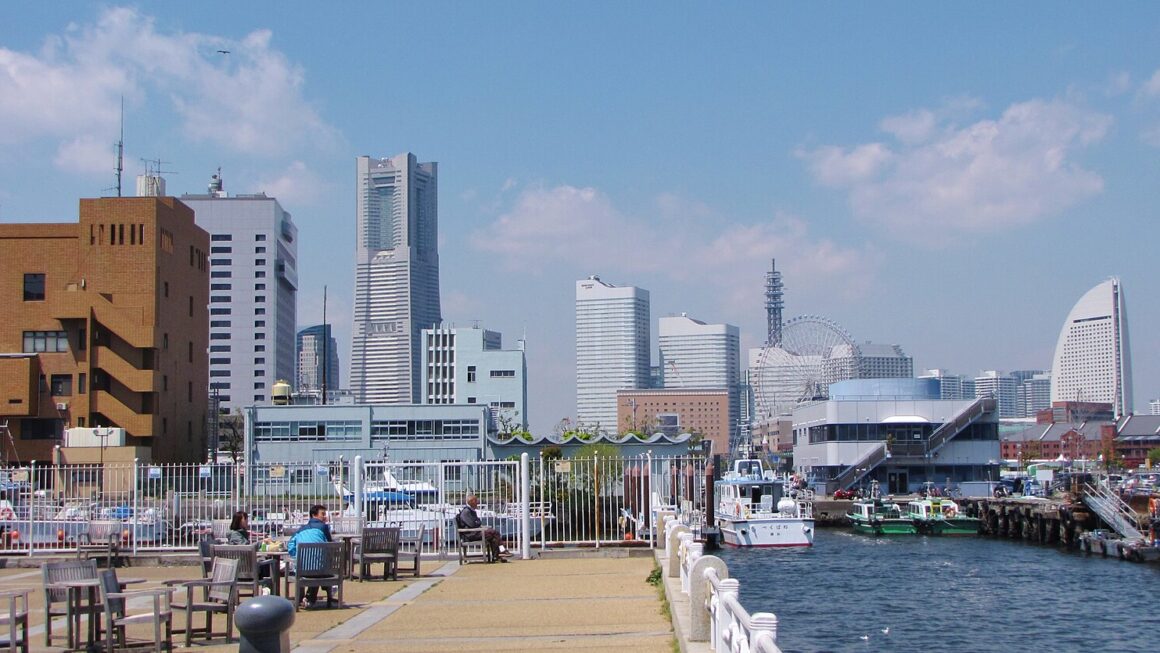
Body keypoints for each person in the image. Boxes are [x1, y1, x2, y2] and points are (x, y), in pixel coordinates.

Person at [288, 505, 333, 608]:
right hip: (320, 570)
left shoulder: (301, 530)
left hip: (302, 569)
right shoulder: (323, 527)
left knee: (312, 564)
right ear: (314, 515)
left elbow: (290, 545)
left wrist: (297, 556)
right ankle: (310, 599)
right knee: (317, 564)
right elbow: (330, 546)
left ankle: (305, 599)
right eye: (323, 514)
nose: (325, 517)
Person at [227, 511, 275, 590]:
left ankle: (268, 591)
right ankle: (268, 592)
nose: (247, 521)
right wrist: (261, 542)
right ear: (239, 521)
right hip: (243, 571)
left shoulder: (239, 534)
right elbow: (247, 548)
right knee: (268, 564)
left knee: (265, 563)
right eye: (245, 519)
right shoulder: (236, 535)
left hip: (240, 568)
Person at [457, 495, 507, 563]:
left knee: (494, 538)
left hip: (475, 532)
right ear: (471, 502)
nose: (477, 502)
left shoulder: (471, 511)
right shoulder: (466, 512)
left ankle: (497, 556)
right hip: (471, 535)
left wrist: (478, 523)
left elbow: (478, 522)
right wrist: (478, 523)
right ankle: (502, 551)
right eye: (476, 501)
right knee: (495, 533)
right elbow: (472, 524)